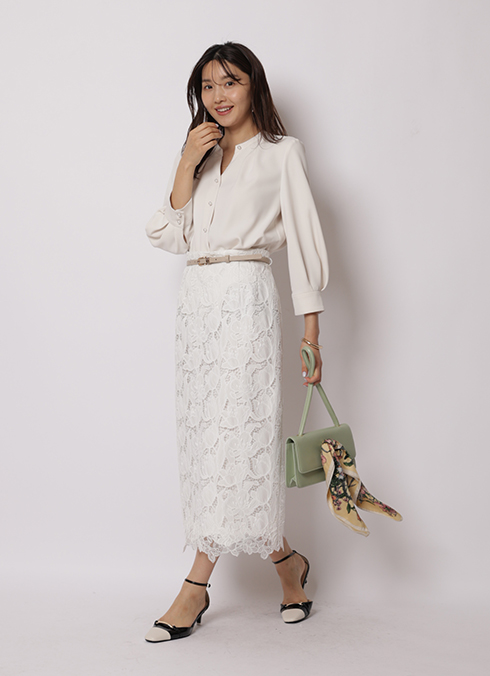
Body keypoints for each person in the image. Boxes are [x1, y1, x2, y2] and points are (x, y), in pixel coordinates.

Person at [144, 42, 329, 643]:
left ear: (254, 86)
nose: (219, 95)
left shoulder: (281, 152)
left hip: (247, 298)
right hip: (197, 305)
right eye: (208, 85)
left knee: (239, 436)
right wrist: (184, 164)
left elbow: (304, 241)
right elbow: (168, 235)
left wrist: (311, 331)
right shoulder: (198, 153)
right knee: (209, 444)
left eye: (231, 82)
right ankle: (288, 564)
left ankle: (195, 585)